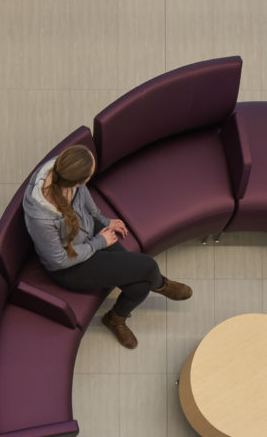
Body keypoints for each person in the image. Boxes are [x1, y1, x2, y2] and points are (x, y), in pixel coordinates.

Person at [22, 145, 192, 349]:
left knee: (139, 287)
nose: (87, 182)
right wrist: (99, 243)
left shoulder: (64, 170)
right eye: (87, 178)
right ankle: (160, 284)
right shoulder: (40, 218)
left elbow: (83, 194)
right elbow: (58, 260)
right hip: (70, 266)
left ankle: (115, 319)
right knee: (147, 268)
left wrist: (103, 220)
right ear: (76, 180)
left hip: (90, 235)